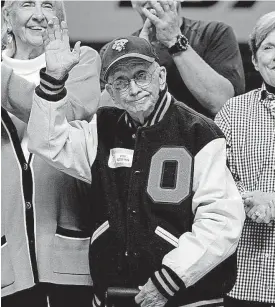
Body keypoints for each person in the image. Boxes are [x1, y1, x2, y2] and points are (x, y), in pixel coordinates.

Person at [28, 34, 245, 307]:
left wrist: (170, 278)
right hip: (114, 295)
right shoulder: (103, 128)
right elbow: (46, 141)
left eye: (141, 75)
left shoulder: (200, 132)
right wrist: (53, 79)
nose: (132, 88)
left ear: (161, 77)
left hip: (187, 297)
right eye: (120, 81)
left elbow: (221, 220)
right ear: (111, 91)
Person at [1, 1, 101, 306]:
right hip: (8, 256)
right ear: (6, 15)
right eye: (27, 4)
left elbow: (66, 114)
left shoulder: (80, 59)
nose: (40, 14)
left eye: (49, 4)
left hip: (71, 253)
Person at [215, 11, 275, 307]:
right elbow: (210, 182)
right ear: (254, 60)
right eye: (268, 47)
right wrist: (247, 199)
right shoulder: (232, 112)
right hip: (243, 279)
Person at [100, 0, 245, 118]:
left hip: (202, 144)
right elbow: (103, 115)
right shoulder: (113, 51)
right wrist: (133, 57)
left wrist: (174, 41)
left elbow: (222, 104)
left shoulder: (215, 33)